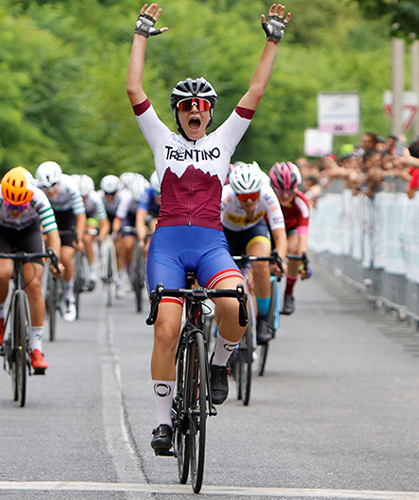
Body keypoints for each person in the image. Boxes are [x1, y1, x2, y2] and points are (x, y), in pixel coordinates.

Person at [126, 2, 290, 455]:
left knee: (236, 306)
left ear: (210, 113)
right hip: (170, 245)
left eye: (201, 107)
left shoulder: (223, 142)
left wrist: (271, 40)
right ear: (177, 112)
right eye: (186, 107)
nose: (193, 113)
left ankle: (219, 364)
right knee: (166, 326)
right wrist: (140, 34)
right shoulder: (161, 138)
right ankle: (162, 424)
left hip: (211, 244)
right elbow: (133, 86)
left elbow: (256, 90)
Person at [0, 166, 62, 373]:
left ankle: (36, 348)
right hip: (2, 234)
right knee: (2, 272)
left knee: (33, 285)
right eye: (11, 206)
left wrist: (56, 261)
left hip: (29, 233)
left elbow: (53, 235)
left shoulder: (39, 198)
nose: (15, 211)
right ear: (3, 197)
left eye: (20, 206)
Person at [220, 165, 286, 343]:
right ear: (235, 194)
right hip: (226, 233)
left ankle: (263, 318)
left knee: (261, 263)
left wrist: (280, 260)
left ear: (259, 192)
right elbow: (210, 230)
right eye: (243, 197)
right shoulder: (225, 196)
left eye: (253, 196)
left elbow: (280, 235)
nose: (249, 201)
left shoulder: (268, 194)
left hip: (253, 231)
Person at [35, 161, 87, 322]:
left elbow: (80, 216)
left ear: (59, 181)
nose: (51, 192)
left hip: (67, 218)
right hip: (47, 216)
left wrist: (78, 237)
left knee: (65, 257)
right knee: (40, 251)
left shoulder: (70, 186)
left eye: (54, 187)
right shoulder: (36, 190)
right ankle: (40, 292)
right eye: (46, 189)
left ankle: (68, 297)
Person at [269, 161, 310, 315]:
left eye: (290, 191)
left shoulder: (301, 202)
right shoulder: (266, 198)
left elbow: (303, 237)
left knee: (295, 249)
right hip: (270, 230)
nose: (285, 195)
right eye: (280, 191)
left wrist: (303, 259)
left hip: (290, 230)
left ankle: (289, 292)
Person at [78, 174, 107, 291]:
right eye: (80, 197)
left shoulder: (95, 199)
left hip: (90, 217)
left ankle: (92, 272)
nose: (82, 199)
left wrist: (101, 235)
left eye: (84, 197)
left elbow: (104, 222)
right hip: (76, 217)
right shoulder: (72, 198)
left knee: (87, 238)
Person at [135, 171, 163, 253]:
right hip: (153, 215)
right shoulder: (147, 192)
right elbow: (140, 218)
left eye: (162, 193)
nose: (160, 197)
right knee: (154, 224)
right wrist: (143, 239)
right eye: (157, 193)